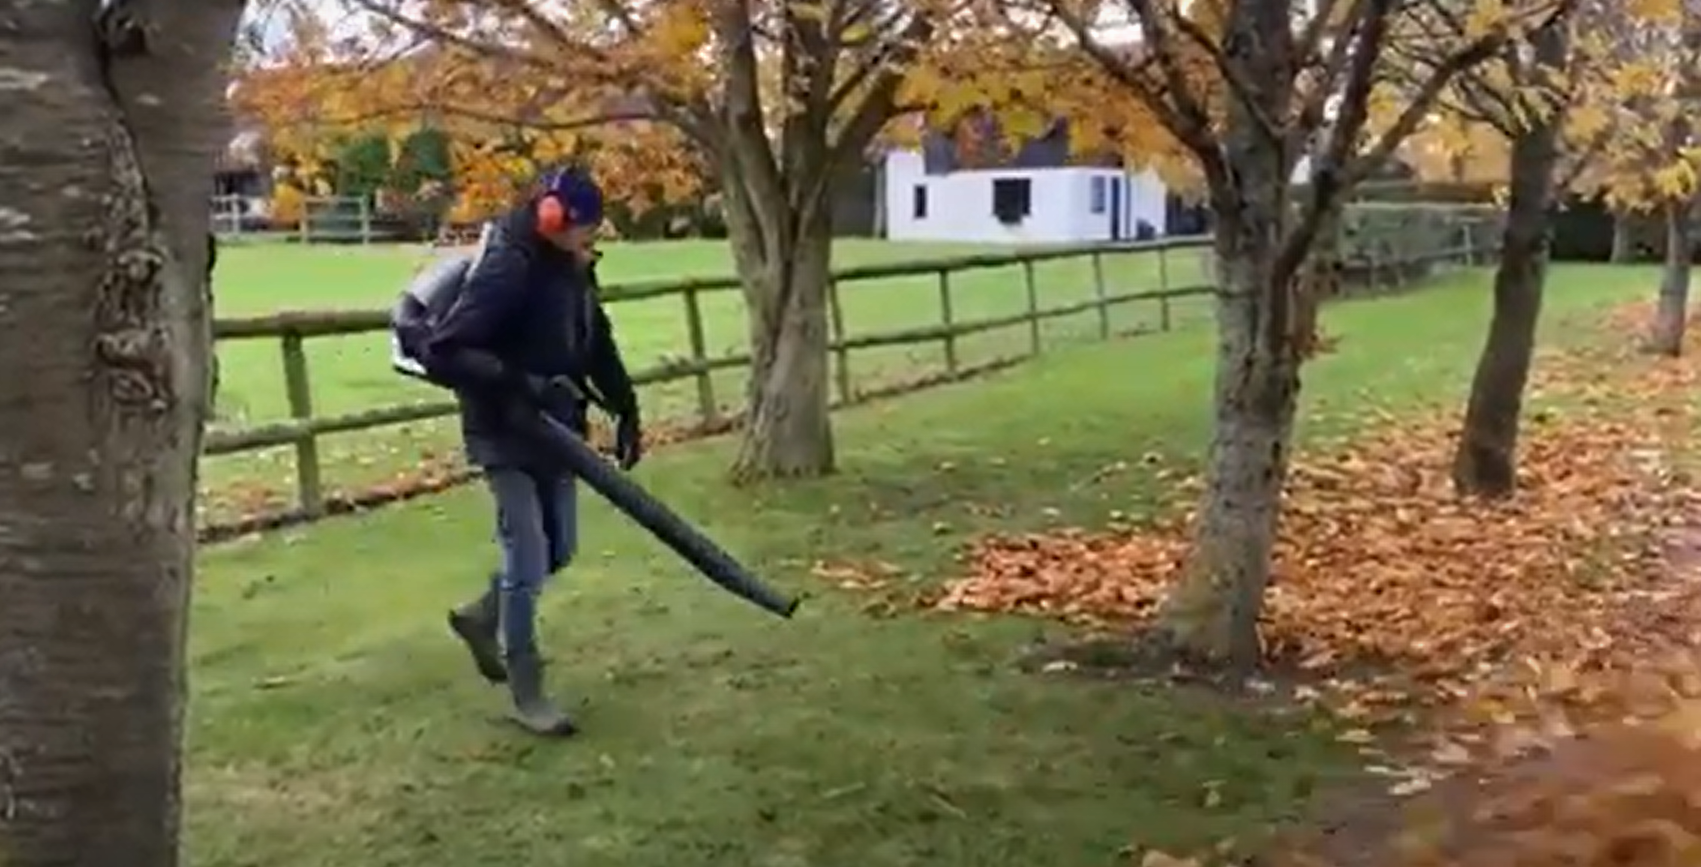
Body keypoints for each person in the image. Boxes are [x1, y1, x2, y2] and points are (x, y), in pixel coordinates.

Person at [400, 167, 643, 737]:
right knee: (529, 554)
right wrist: (520, 384)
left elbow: (596, 339)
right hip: (502, 429)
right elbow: (446, 351)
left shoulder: (572, 268)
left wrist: (625, 406)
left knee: (560, 548)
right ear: (554, 217)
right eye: (583, 228)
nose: (589, 239)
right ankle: (527, 691)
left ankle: (483, 617)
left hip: (557, 430)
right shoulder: (507, 267)